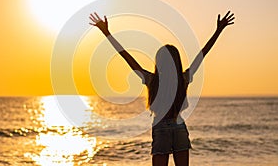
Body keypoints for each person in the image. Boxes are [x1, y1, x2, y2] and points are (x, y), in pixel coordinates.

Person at [89, 11, 235, 166]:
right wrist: (218, 31)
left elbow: (126, 57)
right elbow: (202, 53)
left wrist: (107, 33)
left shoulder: (152, 79)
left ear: (159, 61)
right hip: (179, 125)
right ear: (177, 61)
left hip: (160, 127)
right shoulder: (184, 78)